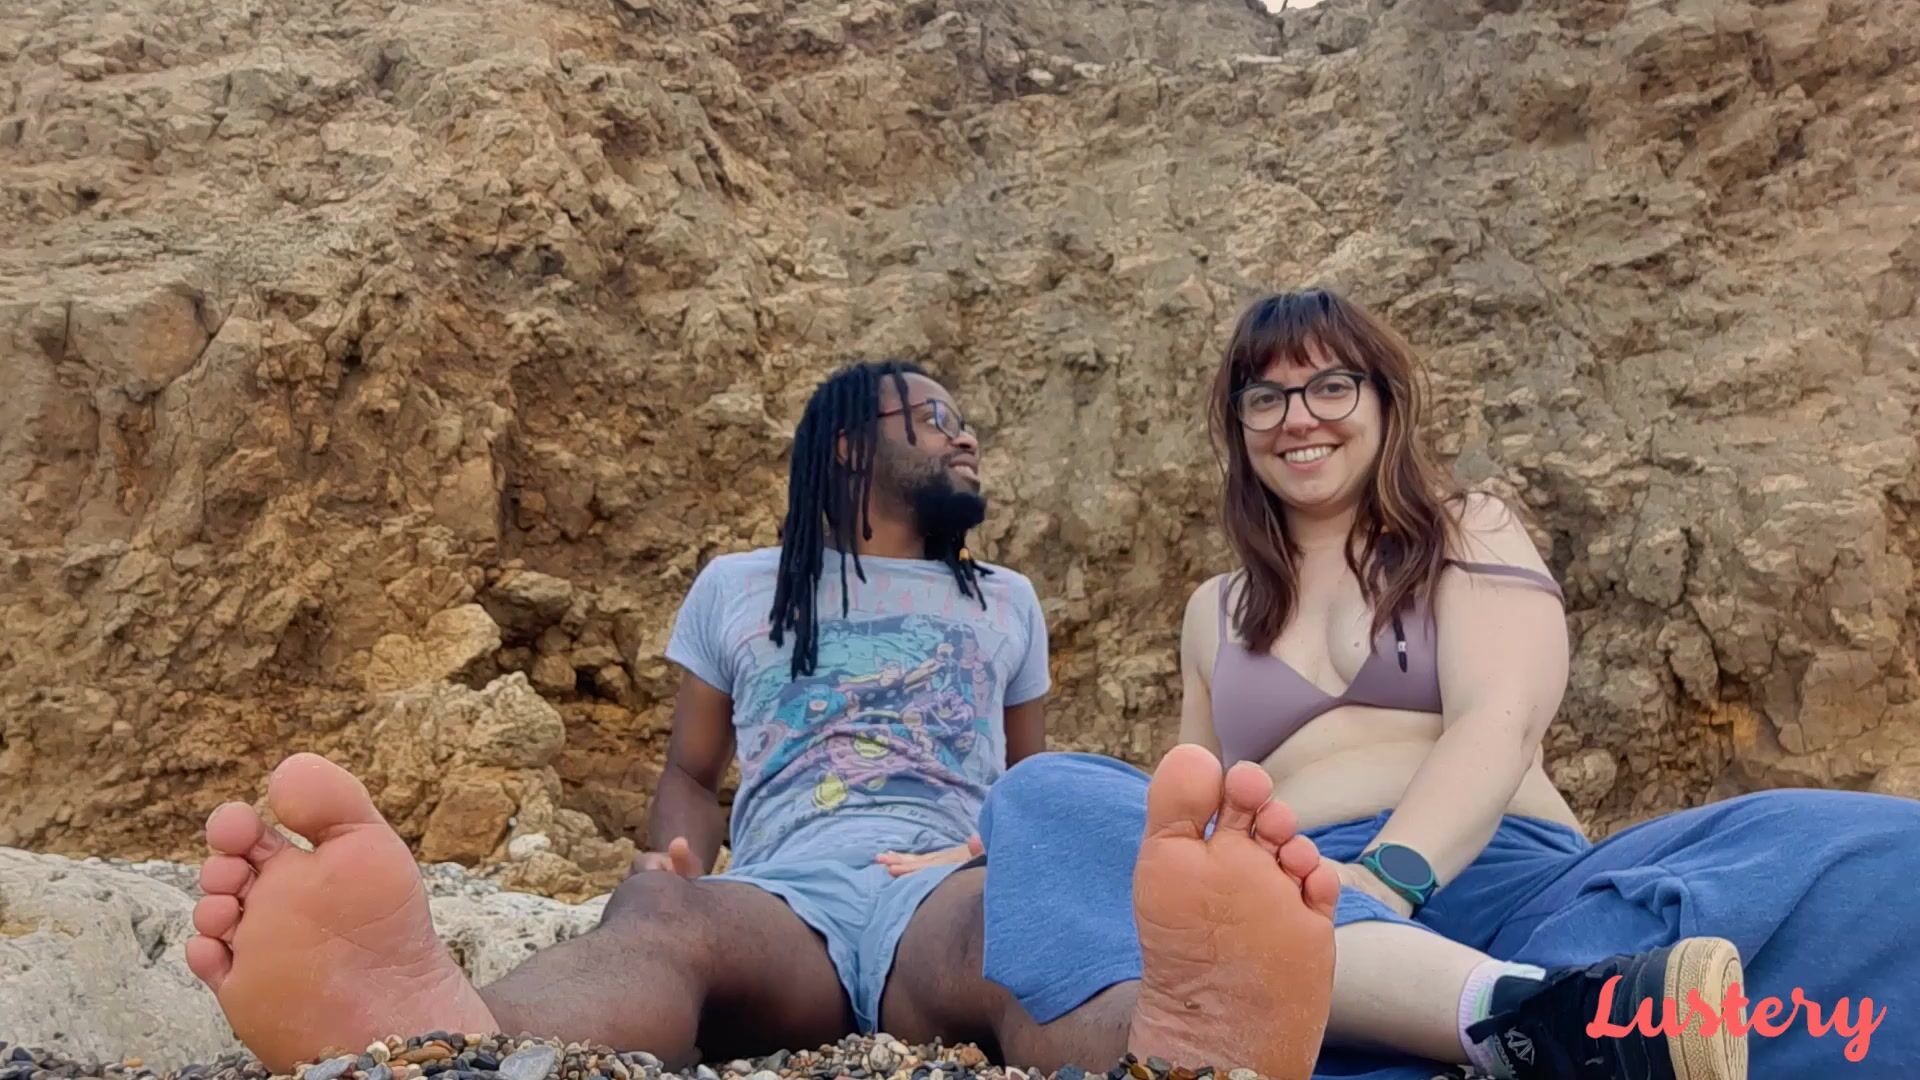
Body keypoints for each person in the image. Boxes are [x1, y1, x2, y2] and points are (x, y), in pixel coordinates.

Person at [180, 361, 1343, 1080]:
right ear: (849, 446)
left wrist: (993, 861)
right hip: (784, 896)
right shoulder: (739, 588)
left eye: (963, 421)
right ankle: (444, 1040)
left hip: (942, 880)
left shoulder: (1007, 601)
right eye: (933, 418)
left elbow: (1025, 788)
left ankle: (1184, 1050)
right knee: (660, 922)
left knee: (1025, 934)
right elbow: (695, 771)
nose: (964, 436)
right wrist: (672, 856)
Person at [960, 289, 1920, 1080]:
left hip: (1516, 886)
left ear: (1385, 402)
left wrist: (1386, 879)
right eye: (1266, 397)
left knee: (1874, 852)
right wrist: (1005, 841)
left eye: (1330, 385)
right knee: (1047, 791)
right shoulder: (1213, 610)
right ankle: (1526, 1022)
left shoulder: (1467, 530)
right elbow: (1186, 804)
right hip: (1289, 907)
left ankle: (1499, 1011)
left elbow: (1500, 721)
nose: (1298, 418)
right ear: (1238, 426)